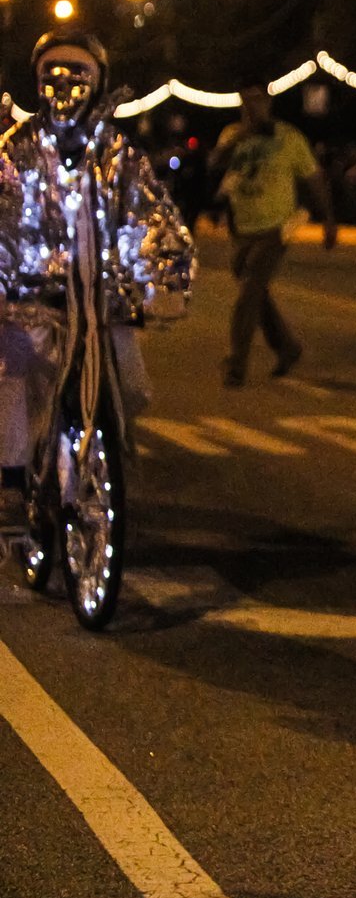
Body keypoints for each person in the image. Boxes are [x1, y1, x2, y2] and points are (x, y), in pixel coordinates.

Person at [0, 30, 193, 526]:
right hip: (29, 300)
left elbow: (153, 218)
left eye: (77, 73)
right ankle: (14, 483)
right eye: (51, 75)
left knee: (130, 388)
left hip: (101, 303)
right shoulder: (13, 150)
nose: (64, 85)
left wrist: (163, 278)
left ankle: (90, 464)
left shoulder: (118, 155)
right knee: (16, 376)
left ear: (99, 80)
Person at [209, 72, 336, 386]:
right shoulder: (232, 134)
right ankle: (288, 347)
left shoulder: (288, 137)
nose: (252, 107)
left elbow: (314, 179)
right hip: (241, 228)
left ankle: (235, 365)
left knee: (249, 291)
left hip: (277, 228)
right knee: (255, 294)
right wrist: (240, 137)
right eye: (246, 101)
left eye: (258, 100)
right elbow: (215, 164)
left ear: (268, 102)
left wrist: (329, 220)